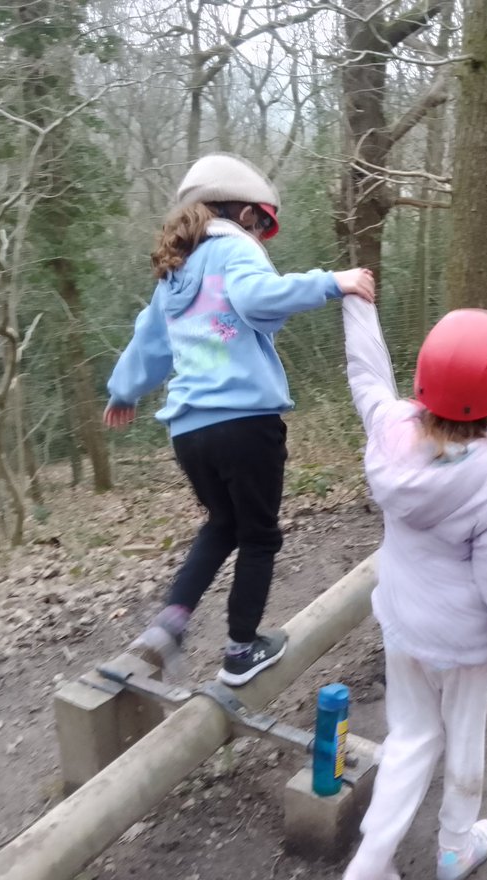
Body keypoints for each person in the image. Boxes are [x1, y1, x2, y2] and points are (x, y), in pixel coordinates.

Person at [103, 153, 375, 686]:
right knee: (258, 536)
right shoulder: (234, 250)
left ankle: (170, 623)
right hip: (246, 423)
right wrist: (332, 282)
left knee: (222, 523)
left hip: (189, 433)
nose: (260, 235)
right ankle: (241, 649)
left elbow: (149, 342)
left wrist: (124, 390)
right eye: (261, 224)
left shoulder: (174, 273)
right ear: (246, 214)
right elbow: (257, 299)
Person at [337, 294, 487, 880]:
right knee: (462, 740)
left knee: (410, 737)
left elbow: (367, 375)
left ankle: (366, 871)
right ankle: (455, 846)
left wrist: (356, 301)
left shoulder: (391, 430)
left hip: (403, 623)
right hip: (461, 646)